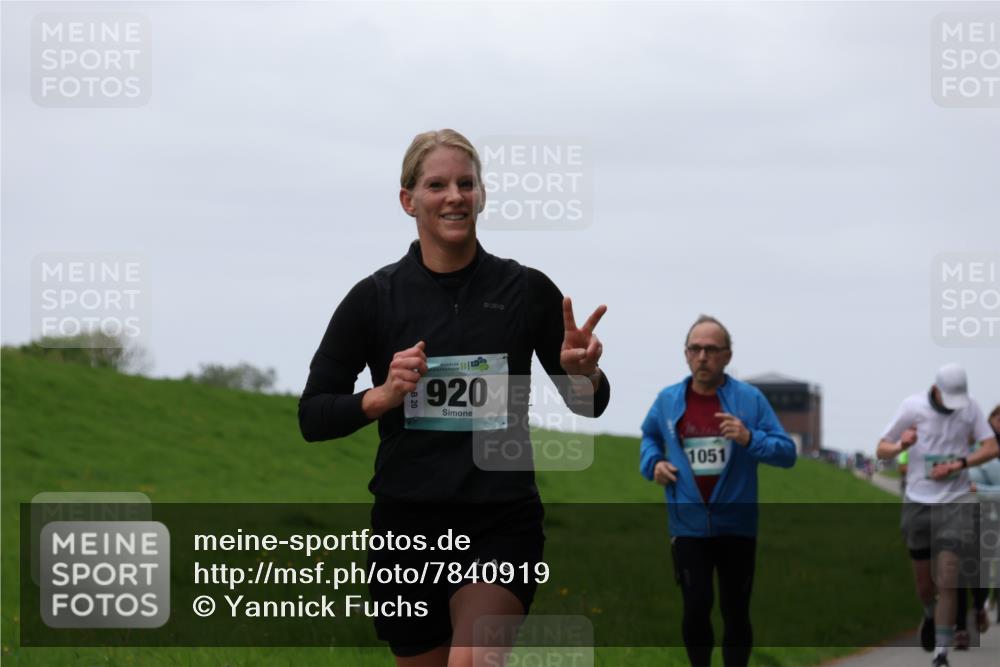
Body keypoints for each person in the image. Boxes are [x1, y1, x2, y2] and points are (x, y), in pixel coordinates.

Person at [298, 129, 610, 667]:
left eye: (467, 184)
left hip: (499, 522)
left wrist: (584, 373)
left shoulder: (526, 290)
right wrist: (381, 396)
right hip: (406, 527)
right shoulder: (374, 298)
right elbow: (312, 415)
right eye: (437, 185)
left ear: (481, 195)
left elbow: (588, 403)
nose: (455, 197)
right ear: (408, 200)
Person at [639, 315, 796, 667]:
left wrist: (749, 438)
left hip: (737, 526)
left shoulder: (748, 400)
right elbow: (649, 436)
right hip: (688, 525)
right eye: (695, 349)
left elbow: (787, 453)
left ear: (727, 355)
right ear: (685, 354)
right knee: (696, 607)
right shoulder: (668, 400)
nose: (702, 356)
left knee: (735, 610)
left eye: (711, 349)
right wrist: (654, 464)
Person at [875, 364, 999, 667]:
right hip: (918, 501)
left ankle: (941, 652)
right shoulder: (912, 407)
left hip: (955, 501)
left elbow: (992, 447)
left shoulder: (970, 409)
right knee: (924, 585)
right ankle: (929, 615)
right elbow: (881, 450)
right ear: (936, 389)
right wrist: (901, 445)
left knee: (948, 576)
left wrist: (958, 464)